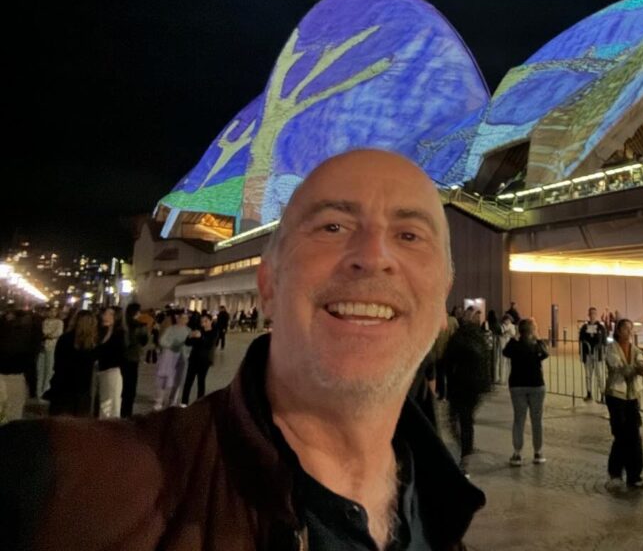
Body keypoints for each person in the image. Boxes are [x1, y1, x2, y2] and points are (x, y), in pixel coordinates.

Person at [1, 149, 485, 549]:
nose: (374, 257)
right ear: (268, 285)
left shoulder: (445, 517)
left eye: (409, 235)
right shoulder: (67, 488)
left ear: (442, 299)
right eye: (333, 226)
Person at [605, 318, 643, 488]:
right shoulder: (611, 349)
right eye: (626, 329)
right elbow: (620, 367)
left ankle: (634, 475)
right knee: (620, 436)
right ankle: (615, 473)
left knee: (634, 436)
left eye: (630, 329)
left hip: (632, 397)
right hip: (616, 396)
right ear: (618, 331)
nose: (629, 332)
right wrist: (639, 369)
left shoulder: (635, 349)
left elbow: (641, 360)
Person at [443, 307, 491, 472]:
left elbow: (447, 362)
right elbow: (486, 363)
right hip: (474, 386)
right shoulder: (480, 339)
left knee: (455, 419)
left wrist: (445, 383)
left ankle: (465, 451)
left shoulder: (457, 338)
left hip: (459, 385)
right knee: (467, 420)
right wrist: (486, 384)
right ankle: (466, 451)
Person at [503, 317, 548, 466]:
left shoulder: (514, 345)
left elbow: (505, 352)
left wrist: (515, 338)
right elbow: (546, 353)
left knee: (519, 420)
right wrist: (539, 338)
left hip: (517, 386)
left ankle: (517, 453)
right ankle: (538, 452)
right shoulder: (537, 345)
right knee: (537, 420)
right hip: (536, 385)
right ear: (533, 330)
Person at [47, 310, 98, 417]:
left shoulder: (65, 339)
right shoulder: (92, 344)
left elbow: (58, 363)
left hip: (63, 386)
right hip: (82, 389)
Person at [0, 309, 37, 422]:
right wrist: (32, 387)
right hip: (17, 377)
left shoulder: (3, 333)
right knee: (14, 415)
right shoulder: (27, 337)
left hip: (1, 376)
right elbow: (30, 363)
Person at [153, 311, 190, 410]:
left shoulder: (188, 331)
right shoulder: (171, 329)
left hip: (180, 358)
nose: (184, 320)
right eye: (182, 318)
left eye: (186, 319)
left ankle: (173, 400)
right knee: (163, 379)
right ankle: (159, 401)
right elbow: (162, 341)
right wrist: (171, 345)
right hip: (168, 357)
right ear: (178, 319)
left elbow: (189, 346)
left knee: (177, 380)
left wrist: (185, 352)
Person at [95, 307, 125, 419]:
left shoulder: (120, 333)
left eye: (110, 314)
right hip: (100, 371)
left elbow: (120, 355)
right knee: (103, 402)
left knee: (111, 403)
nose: (105, 316)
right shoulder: (102, 331)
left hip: (112, 371)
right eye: (105, 313)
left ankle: (111, 427)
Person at [120, 303, 150, 417]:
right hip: (133, 357)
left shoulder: (122, 325)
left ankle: (120, 410)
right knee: (130, 388)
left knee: (122, 386)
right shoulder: (140, 326)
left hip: (121, 358)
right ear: (136, 312)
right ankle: (127, 413)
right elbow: (144, 341)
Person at [181, 313, 217, 404]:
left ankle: (199, 402)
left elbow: (209, 344)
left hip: (204, 361)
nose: (204, 323)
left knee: (201, 382)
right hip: (193, 359)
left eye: (206, 321)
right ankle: (184, 403)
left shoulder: (214, 332)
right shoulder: (198, 331)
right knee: (188, 382)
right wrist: (189, 336)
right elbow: (188, 343)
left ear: (211, 321)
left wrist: (200, 337)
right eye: (202, 322)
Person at [579, 307, 607, 401]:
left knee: (599, 375)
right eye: (591, 313)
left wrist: (603, 353)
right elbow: (581, 340)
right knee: (588, 375)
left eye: (594, 313)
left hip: (598, 355)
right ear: (588, 315)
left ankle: (603, 394)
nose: (592, 315)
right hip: (587, 355)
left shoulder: (601, 327)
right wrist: (581, 355)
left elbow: (604, 341)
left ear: (596, 314)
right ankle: (589, 393)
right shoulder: (584, 327)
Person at [37, 307, 64, 398]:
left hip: (52, 346)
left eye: (54, 311)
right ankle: (39, 391)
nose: (52, 313)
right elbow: (44, 331)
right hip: (43, 346)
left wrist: (48, 335)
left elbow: (58, 333)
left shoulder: (59, 322)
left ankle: (46, 389)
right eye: (50, 311)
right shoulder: (45, 321)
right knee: (40, 368)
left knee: (49, 368)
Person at [495, 313, 515, 384]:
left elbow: (513, 334)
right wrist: (506, 333)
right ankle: (502, 378)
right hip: (503, 344)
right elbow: (500, 334)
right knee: (502, 361)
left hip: (509, 344)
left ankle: (509, 378)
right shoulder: (501, 326)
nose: (507, 322)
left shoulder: (512, 326)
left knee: (509, 363)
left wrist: (509, 333)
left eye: (508, 320)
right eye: (506, 320)